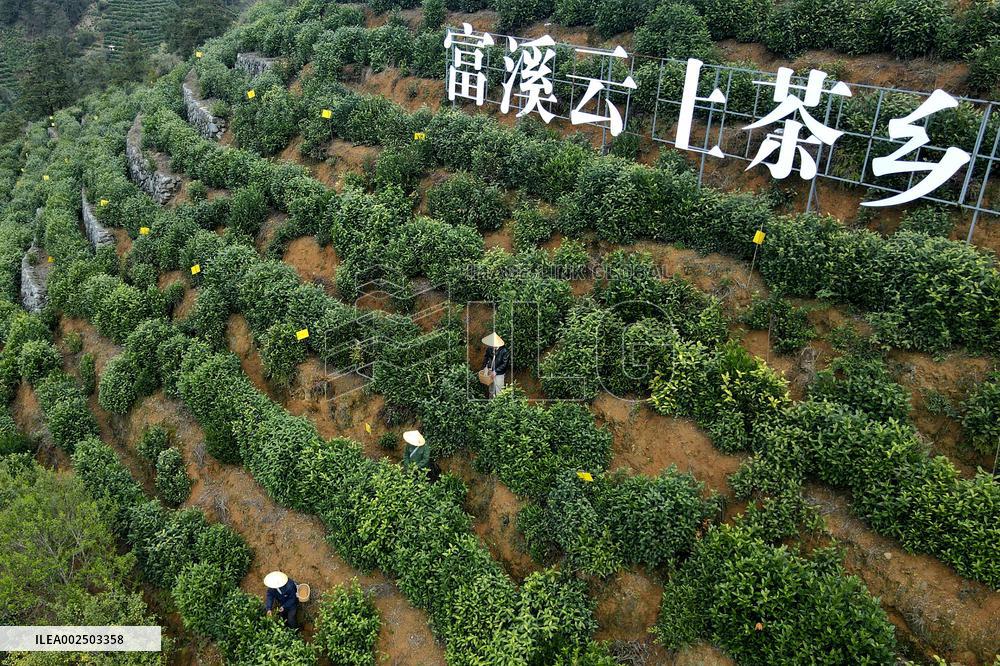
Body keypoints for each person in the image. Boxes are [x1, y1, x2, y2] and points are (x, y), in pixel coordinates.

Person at [482, 332, 510, 398]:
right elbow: (486, 358)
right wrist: (485, 367)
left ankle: (498, 406)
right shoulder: (490, 348)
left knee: (499, 391)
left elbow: (504, 364)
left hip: (499, 374)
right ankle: (491, 404)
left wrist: (496, 371)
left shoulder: (505, 351)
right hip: (490, 371)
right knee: (491, 390)